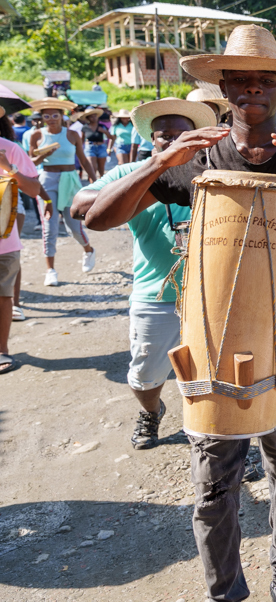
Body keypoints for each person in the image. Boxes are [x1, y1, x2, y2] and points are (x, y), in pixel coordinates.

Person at [86, 23, 276, 602]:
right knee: (213, 474)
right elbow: (99, 218)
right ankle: (225, 594)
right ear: (224, 87)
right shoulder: (196, 154)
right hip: (207, 337)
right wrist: (156, 166)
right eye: (241, 80)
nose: (253, 89)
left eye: (264, 81)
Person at [73, 98, 218, 447]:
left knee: (216, 373)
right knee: (146, 377)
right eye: (163, 135)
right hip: (157, 295)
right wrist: (156, 171)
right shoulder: (131, 173)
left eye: (182, 133)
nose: (172, 141)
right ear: (151, 140)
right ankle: (151, 412)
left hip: (214, 293)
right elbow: (81, 207)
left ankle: (221, 435)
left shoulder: (213, 169)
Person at [26, 98, 97, 286]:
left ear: (62, 116)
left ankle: (88, 250)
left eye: (54, 115)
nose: (51, 119)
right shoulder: (36, 135)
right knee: (49, 227)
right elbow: (30, 163)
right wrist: (43, 156)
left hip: (69, 179)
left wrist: (95, 180)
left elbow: (83, 159)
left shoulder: (72, 134)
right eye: (46, 115)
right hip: (47, 180)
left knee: (73, 226)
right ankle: (50, 270)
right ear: (42, 118)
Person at [0, 107, 47, 373]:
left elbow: (32, 190)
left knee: (2, 294)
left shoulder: (10, 149)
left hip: (3, 239)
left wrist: (9, 168)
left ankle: (1, 350)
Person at [78, 107, 114, 179]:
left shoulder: (102, 127)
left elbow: (111, 137)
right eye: (91, 116)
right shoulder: (84, 128)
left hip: (101, 147)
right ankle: (93, 186)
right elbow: (81, 140)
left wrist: (105, 132)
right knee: (92, 169)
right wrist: (80, 150)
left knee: (101, 169)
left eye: (95, 116)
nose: (94, 118)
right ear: (88, 118)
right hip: (90, 148)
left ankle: (101, 186)